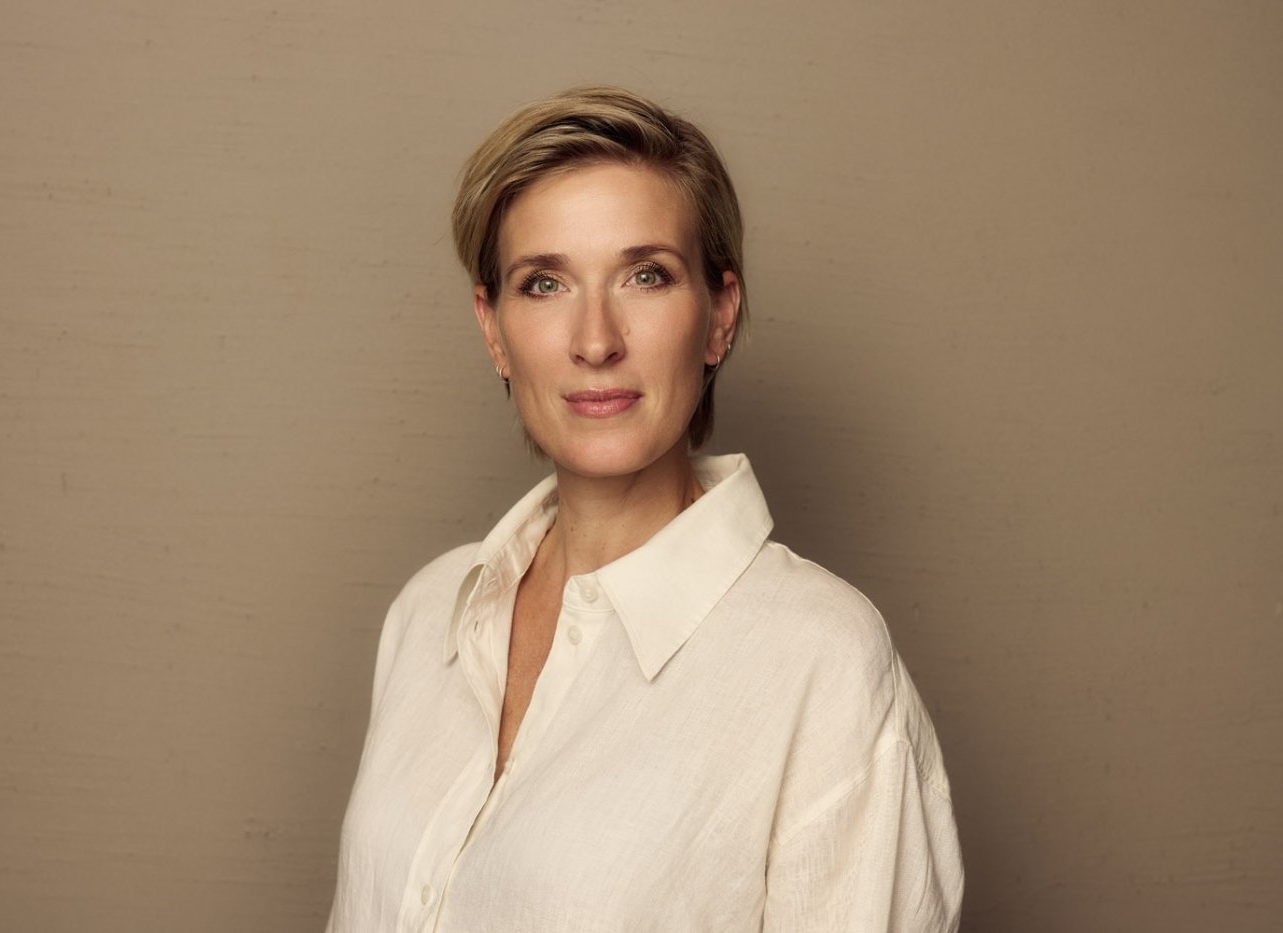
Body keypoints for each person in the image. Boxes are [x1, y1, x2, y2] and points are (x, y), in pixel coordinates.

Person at [324, 86, 963, 932]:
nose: (596, 340)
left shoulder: (823, 665)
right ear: (493, 328)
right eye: (544, 283)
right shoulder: (427, 613)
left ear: (719, 315)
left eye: (646, 275)